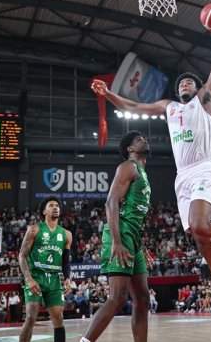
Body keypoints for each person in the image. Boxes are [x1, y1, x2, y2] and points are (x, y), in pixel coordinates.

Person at [91, 21, 211, 335]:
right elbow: (133, 105)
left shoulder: (205, 100)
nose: (184, 85)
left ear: (196, 89)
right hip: (183, 179)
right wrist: (109, 94)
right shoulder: (169, 108)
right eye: (181, 84)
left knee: (198, 224)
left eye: (189, 83)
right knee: (202, 242)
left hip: (206, 168)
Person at [81, 131, 154, 342]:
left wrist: (139, 245)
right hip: (120, 233)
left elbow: (132, 212)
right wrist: (116, 241)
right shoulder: (128, 167)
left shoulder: (142, 172)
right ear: (130, 149)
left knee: (142, 298)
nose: (145, 140)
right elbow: (110, 202)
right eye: (139, 140)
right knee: (118, 297)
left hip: (132, 237)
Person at [18, 197, 73, 342]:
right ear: (45, 211)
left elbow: (65, 261)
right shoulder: (35, 230)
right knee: (30, 317)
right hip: (35, 276)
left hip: (54, 278)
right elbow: (22, 255)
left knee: (59, 318)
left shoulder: (66, 234)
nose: (55, 207)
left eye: (57, 206)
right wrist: (28, 279)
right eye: (51, 205)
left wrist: (67, 278)